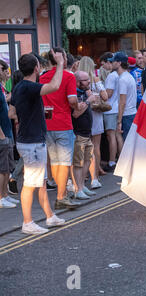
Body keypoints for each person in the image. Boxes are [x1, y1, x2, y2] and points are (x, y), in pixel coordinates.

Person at [11, 52, 66, 234]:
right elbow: (55, 85)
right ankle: (27, 223)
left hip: (30, 140)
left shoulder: (20, 87)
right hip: (32, 143)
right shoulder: (29, 87)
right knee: (29, 184)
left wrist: (31, 115)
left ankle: (50, 217)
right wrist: (59, 64)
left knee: (40, 183)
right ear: (36, 68)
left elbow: (12, 112)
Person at [39, 47, 81, 210]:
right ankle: (61, 197)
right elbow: (72, 99)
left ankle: (60, 193)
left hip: (47, 123)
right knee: (63, 162)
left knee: (55, 162)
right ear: (62, 58)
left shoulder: (42, 77)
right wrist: (77, 106)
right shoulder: (68, 76)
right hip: (63, 122)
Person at [78, 56, 107, 189]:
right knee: (96, 146)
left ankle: (83, 175)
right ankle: (95, 174)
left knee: (83, 146)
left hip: (83, 113)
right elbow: (105, 96)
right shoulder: (95, 80)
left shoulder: (77, 80)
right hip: (96, 115)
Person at [72, 71, 96, 200]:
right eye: (86, 80)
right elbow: (75, 114)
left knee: (87, 160)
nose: (88, 82)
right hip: (78, 133)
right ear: (78, 82)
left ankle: (82, 185)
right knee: (78, 163)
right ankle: (78, 188)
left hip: (87, 132)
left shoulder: (85, 93)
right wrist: (88, 101)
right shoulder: (75, 95)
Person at [0, 60, 17, 208]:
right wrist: (2, 135)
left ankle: (5, 194)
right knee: (2, 168)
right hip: (2, 133)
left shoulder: (2, 87)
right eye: (1, 69)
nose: (4, 72)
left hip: (7, 130)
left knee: (6, 168)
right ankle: (1, 197)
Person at [103, 53, 122, 172]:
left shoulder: (111, 76)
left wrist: (100, 92)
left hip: (110, 109)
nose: (104, 66)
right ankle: (119, 160)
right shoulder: (118, 75)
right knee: (116, 135)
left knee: (112, 137)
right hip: (115, 108)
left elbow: (108, 94)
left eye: (105, 63)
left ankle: (112, 161)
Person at [114, 52, 137, 140]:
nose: (112, 64)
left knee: (127, 143)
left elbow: (122, 102)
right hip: (131, 113)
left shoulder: (123, 79)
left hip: (127, 115)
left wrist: (119, 121)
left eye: (113, 62)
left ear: (119, 63)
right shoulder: (128, 76)